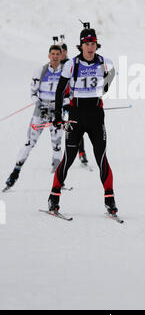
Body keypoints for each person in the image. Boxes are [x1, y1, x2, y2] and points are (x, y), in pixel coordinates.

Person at [47, 25, 118, 215]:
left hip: (96, 116)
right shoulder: (72, 64)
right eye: (87, 44)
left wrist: (105, 88)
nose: (90, 47)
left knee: (101, 156)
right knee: (69, 157)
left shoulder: (104, 62)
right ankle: (54, 197)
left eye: (93, 44)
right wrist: (58, 117)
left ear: (96, 45)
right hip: (76, 117)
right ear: (81, 46)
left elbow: (112, 73)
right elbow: (60, 90)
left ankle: (109, 199)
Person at [3, 45, 66, 191]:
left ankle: (58, 180)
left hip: (56, 112)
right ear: (49, 55)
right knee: (29, 142)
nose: (55, 57)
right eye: (53, 54)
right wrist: (39, 105)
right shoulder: (41, 71)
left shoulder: (65, 72)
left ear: (61, 56)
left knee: (57, 145)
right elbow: (32, 93)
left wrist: (65, 106)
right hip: (40, 112)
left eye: (58, 54)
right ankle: (14, 175)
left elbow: (69, 94)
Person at [60, 40, 89, 167]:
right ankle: (58, 157)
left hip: (69, 101)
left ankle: (81, 152)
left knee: (75, 126)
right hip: (57, 101)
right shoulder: (54, 65)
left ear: (66, 52)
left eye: (63, 51)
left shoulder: (70, 63)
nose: (61, 54)